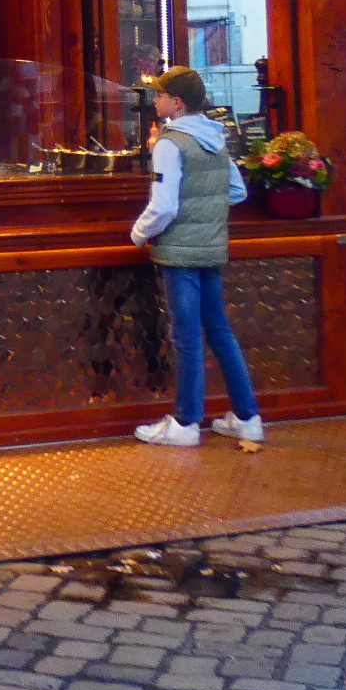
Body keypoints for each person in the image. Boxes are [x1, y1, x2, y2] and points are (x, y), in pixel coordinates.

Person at [128, 66, 262, 447]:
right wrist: (205, 214)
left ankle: (186, 424)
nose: (155, 99)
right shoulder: (215, 138)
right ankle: (248, 418)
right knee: (219, 331)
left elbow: (164, 206)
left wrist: (138, 234)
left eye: (159, 94)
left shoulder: (169, 143)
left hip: (180, 252)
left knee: (186, 337)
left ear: (177, 102)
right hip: (211, 248)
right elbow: (236, 191)